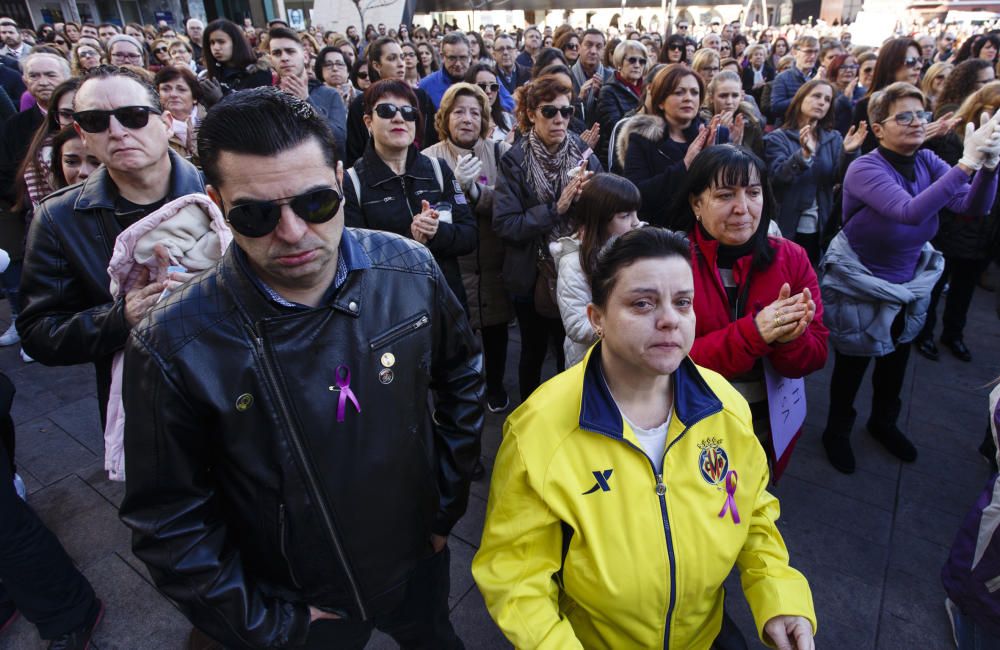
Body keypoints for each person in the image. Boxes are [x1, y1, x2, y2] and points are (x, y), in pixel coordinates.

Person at [119, 87, 482, 649]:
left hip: (415, 555)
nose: (292, 233)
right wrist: (269, 623)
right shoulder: (173, 342)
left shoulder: (408, 268)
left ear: (340, 181)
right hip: (295, 595)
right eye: (258, 214)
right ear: (216, 201)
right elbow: (169, 520)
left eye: (315, 204)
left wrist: (442, 512)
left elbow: (461, 378)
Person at [473, 226, 817, 650]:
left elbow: (753, 513)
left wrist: (779, 596)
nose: (670, 318)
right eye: (642, 303)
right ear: (596, 317)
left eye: (683, 302)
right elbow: (515, 575)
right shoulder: (541, 428)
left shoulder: (724, 405)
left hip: (703, 635)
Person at [820, 82, 1000, 475]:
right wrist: (965, 165)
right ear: (878, 128)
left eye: (922, 115)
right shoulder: (865, 168)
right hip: (859, 284)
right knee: (852, 367)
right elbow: (909, 211)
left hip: (908, 283)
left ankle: (883, 423)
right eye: (904, 116)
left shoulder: (928, 162)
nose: (917, 123)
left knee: (896, 362)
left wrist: (987, 168)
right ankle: (837, 431)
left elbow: (973, 206)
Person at [18, 65, 205, 427]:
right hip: (143, 401)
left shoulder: (218, 190)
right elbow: (39, 332)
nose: (117, 132)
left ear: (165, 123)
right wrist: (120, 317)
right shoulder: (59, 218)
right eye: (95, 120)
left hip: (237, 383)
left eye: (133, 116)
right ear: (82, 134)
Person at [670, 145, 828, 476]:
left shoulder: (792, 258)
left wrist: (790, 337)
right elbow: (670, 363)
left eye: (753, 193)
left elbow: (814, 356)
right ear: (696, 203)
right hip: (685, 416)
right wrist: (754, 333)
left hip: (763, 421)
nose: (743, 208)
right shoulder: (669, 264)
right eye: (725, 195)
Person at [493, 73, 602, 402]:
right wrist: (557, 208)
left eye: (566, 112)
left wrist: (592, 200)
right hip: (533, 271)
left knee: (571, 350)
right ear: (530, 114)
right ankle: (530, 416)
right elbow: (506, 224)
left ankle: (568, 411)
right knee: (533, 350)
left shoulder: (583, 152)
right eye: (549, 112)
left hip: (578, 268)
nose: (559, 120)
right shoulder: (515, 160)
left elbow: (609, 204)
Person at [343, 79, 475, 308]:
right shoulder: (351, 181)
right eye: (386, 111)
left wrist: (436, 232)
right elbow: (352, 258)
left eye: (408, 112)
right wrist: (409, 240)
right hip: (391, 311)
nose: (398, 118)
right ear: (368, 122)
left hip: (446, 304)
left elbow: (469, 235)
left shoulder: (438, 170)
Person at [423, 82, 513, 411]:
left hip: (492, 260)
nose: (467, 119)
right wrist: (456, 191)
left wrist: (476, 193)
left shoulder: (499, 151)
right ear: (445, 118)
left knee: (496, 330)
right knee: (457, 333)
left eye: (475, 112)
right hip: (453, 265)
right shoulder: (429, 159)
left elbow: (506, 201)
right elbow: (429, 210)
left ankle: (495, 385)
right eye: (459, 111)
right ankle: (463, 390)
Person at [917, 82, 1000, 363]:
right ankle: (924, 333)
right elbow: (943, 186)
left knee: (964, 290)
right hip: (948, 226)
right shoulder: (951, 139)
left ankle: (953, 334)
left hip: (982, 232)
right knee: (935, 283)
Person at [0, 53, 69, 353]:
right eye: (35, 75)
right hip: (30, 211)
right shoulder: (17, 125)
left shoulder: (87, 118)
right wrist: (22, 200)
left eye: (50, 75)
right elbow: (4, 169)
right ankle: (30, 325)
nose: (43, 82)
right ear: (24, 80)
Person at [764, 79, 867, 261]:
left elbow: (840, 178)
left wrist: (848, 153)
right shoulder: (777, 138)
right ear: (800, 98)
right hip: (788, 224)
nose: (822, 102)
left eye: (827, 99)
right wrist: (803, 155)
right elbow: (776, 178)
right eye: (816, 96)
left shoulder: (833, 138)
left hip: (820, 224)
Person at [553, 173, 641, 367]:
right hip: (591, 362)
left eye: (636, 213)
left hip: (628, 361)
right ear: (600, 221)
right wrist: (626, 323)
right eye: (625, 215)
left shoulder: (634, 247)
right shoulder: (574, 263)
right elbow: (577, 326)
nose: (636, 222)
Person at [622, 65, 714, 225]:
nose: (688, 98)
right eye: (679, 92)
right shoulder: (641, 139)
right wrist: (685, 165)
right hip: (659, 233)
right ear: (661, 102)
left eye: (694, 92)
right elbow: (635, 195)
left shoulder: (711, 134)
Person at [852, 38, 955, 154]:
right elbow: (866, 153)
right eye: (911, 61)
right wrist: (914, 138)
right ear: (891, 64)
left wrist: (940, 135)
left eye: (920, 60)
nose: (919, 66)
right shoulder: (865, 105)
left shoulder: (923, 102)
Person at [344, 37, 437, 166]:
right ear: (377, 65)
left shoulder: (421, 97)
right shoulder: (361, 103)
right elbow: (354, 153)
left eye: (402, 57)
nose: (401, 63)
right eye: (392, 58)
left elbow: (433, 138)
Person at [268, 27, 347, 164]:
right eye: (277, 53)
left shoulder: (328, 94)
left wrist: (306, 102)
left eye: (290, 51)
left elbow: (339, 141)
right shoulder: (267, 99)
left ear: (305, 56)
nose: (284, 58)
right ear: (271, 60)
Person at [419, 32, 513, 111]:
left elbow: (510, 105)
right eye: (452, 58)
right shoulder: (426, 86)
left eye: (463, 58)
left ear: (470, 55)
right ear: (442, 57)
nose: (458, 64)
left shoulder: (486, 77)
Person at [596, 40, 646, 169]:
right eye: (632, 60)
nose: (637, 65)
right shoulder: (608, 91)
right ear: (619, 63)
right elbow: (615, 128)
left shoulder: (648, 89)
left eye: (642, 61)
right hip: (619, 158)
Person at [199, 19, 272, 108]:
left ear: (235, 42)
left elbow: (257, 113)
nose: (216, 47)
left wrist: (220, 100)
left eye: (221, 42)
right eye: (212, 43)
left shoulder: (258, 73)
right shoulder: (213, 75)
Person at [701, 70, 765, 157]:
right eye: (723, 96)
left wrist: (738, 146)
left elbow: (759, 162)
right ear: (712, 97)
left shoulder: (751, 123)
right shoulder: (701, 123)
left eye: (735, 95)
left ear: (741, 96)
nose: (729, 102)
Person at [154, 65, 204, 162]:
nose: (173, 94)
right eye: (166, 89)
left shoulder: (211, 122)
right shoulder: (153, 127)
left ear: (194, 97)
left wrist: (194, 149)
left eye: (181, 89)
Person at [770, 35, 819, 123]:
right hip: (789, 130)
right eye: (808, 52)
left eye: (816, 52)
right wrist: (809, 90)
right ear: (795, 52)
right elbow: (776, 108)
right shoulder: (782, 78)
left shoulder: (821, 77)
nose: (813, 56)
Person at [464, 63, 514, 141]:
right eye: (482, 86)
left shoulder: (506, 118)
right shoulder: (464, 122)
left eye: (493, 86)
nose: (488, 91)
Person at [827, 53, 863, 135]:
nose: (848, 70)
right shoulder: (827, 90)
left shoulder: (862, 92)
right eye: (843, 67)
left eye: (852, 67)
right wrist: (844, 99)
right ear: (835, 69)